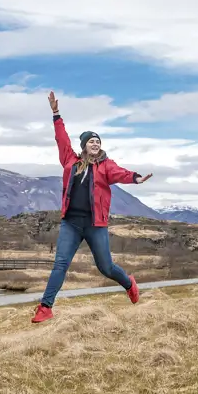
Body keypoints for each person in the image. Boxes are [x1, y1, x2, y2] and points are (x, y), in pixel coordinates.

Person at [31, 91, 153, 323]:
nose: (95, 144)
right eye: (91, 141)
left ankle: (129, 284)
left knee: (106, 267)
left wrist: (136, 178)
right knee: (60, 264)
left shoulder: (106, 165)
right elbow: (61, 139)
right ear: (84, 146)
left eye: (98, 142)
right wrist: (56, 114)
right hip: (71, 223)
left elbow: (120, 173)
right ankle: (45, 307)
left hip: (95, 224)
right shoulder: (70, 160)